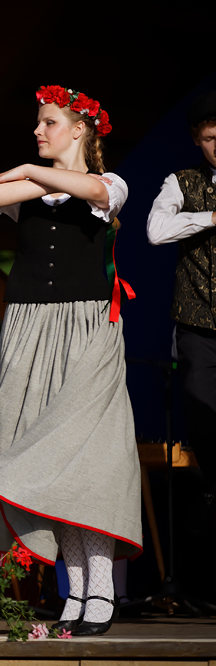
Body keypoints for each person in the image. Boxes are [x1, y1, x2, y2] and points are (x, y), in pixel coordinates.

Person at [0, 85, 139, 637]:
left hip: (88, 327)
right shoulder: (30, 186)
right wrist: (29, 174)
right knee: (45, 453)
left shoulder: (108, 186)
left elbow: (94, 188)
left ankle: (101, 589)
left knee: (90, 458)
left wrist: (30, 171)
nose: (38, 133)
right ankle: (74, 592)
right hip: (30, 327)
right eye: (39, 123)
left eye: (48, 123)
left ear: (79, 130)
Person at [146, 90, 216, 500]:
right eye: (210, 138)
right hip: (198, 325)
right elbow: (156, 231)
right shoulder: (182, 182)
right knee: (203, 414)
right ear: (196, 139)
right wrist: (210, 216)